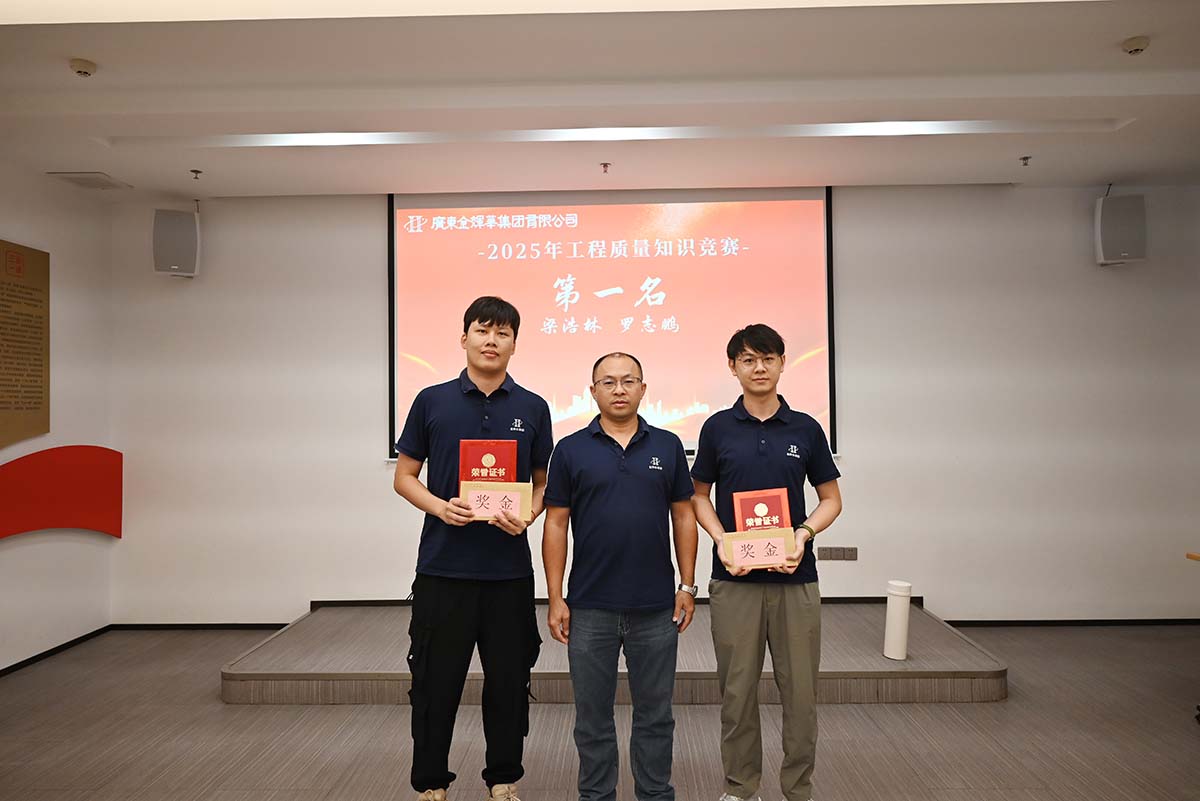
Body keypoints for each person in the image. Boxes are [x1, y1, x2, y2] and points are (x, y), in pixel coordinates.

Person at [393, 296, 553, 801]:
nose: (491, 340)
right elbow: (404, 477)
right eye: (483, 331)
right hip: (443, 569)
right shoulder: (431, 401)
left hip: (508, 573)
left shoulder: (533, 407)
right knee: (435, 683)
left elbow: (544, 484)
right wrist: (441, 508)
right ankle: (431, 784)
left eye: (503, 333)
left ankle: (503, 780)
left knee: (508, 683)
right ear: (464, 338)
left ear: (514, 344)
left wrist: (528, 514)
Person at [690, 324, 843, 801]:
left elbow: (831, 499)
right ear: (733, 367)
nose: (759, 368)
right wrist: (721, 540)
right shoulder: (717, 428)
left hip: (796, 579)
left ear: (781, 364)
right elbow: (699, 496)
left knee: (800, 695)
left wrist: (803, 534)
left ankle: (798, 789)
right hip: (734, 580)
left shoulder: (806, 428)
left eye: (768, 359)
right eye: (748, 360)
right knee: (737, 694)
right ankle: (741, 788)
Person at [542, 352, 699, 801]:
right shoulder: (570, 449)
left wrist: (687, 585)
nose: (619, 389)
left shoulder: (667, 445)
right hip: (589, 606)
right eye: (608, 382)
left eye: (628, 381)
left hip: (655, 607)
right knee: (592, 718)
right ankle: (596, 795)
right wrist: (555, 596)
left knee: (656, 715)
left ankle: (655, 794)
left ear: (643, 389)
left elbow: (683, 517)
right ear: (593, 391)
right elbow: (556, 524)